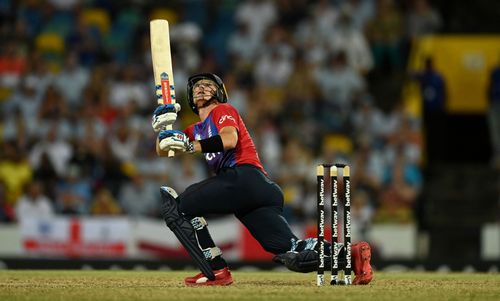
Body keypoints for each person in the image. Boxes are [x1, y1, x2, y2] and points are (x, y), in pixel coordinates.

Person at [151, 73, 373, 286]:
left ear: (219, 92)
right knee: (292, 252)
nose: (201, 88)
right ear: (190, 96)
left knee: (178, 208)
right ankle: (351, 255)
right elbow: (165, 150)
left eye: (208, 85)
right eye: (197, 87)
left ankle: (216, 270)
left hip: (243, 178)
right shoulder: (195, 129)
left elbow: (229, 139)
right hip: (254, 193)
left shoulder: (223, 110)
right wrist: (163, 128)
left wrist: (190, 145)